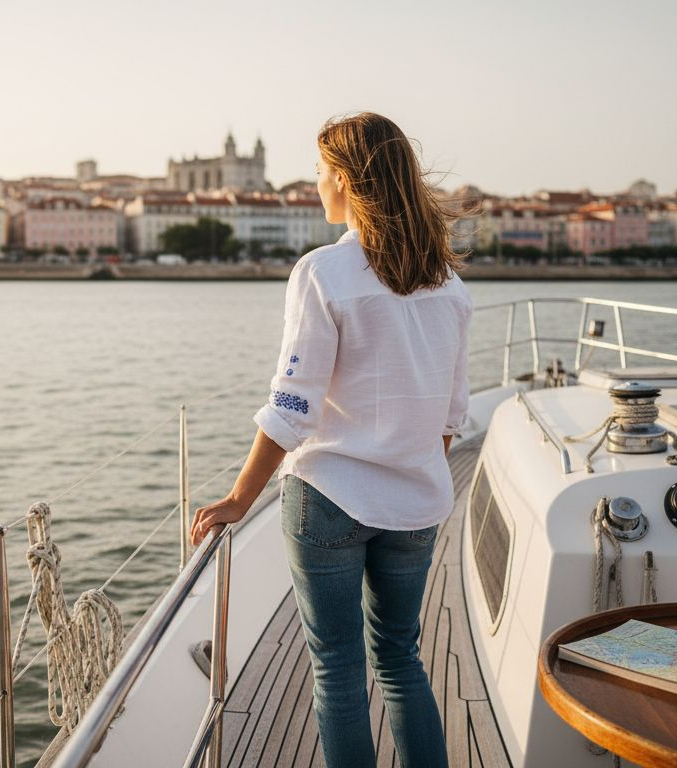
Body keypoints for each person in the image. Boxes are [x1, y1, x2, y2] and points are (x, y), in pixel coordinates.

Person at [188, 111, 471, 768]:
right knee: (401, 660)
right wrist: (403, 464)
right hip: (416, 504)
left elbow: (291, 409)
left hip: (329, 499)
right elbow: (451, 419)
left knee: (339, 671)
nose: (316, 185)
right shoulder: (449, 285)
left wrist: (238, 498)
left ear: (345, 180)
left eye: (320, 172)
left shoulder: (323, 272)